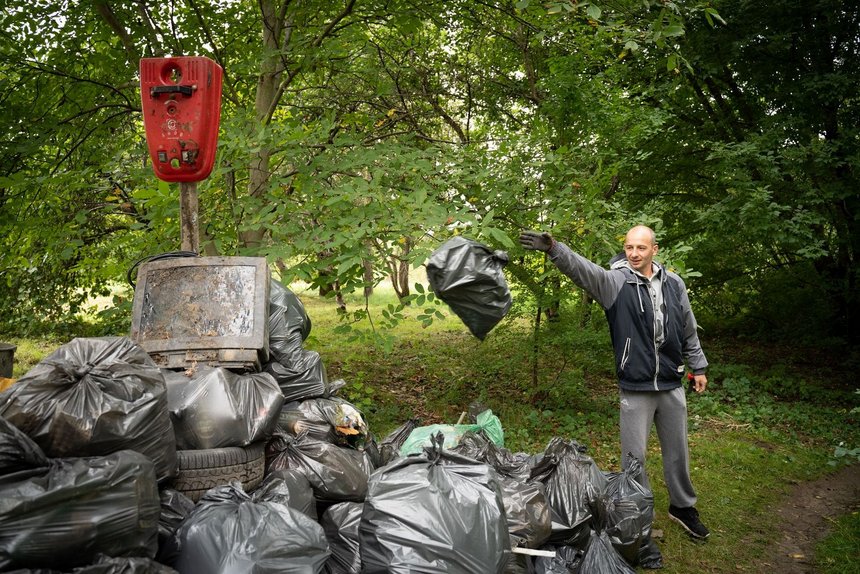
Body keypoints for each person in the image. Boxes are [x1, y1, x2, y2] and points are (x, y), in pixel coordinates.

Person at [520, 225, 711, 540]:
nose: (634, 254)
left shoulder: (675, 284)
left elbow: (688, 328)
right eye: (628, 247)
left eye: (641, 248)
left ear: (655, 249)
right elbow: (584, 271)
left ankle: (683, 507)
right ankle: (636, 515)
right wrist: (555, 248)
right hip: (635, 387)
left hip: (671, 384)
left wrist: (699, 366)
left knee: (678, 450)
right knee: (634, 458)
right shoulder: (615, 283)